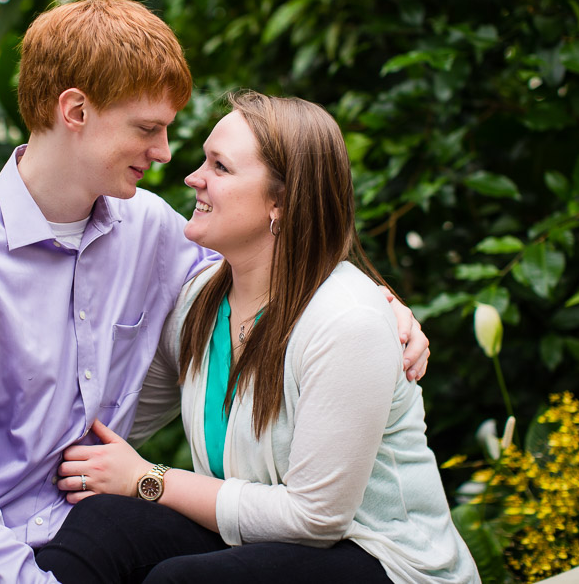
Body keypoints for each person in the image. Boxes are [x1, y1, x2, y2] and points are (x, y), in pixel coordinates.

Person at [0, 0, 431, 584]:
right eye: (147, 128)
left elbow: (284, 274)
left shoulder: (151, 230)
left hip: (77, 525)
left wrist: (386, 309)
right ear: (75, 110)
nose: (165, 154)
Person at [39, 91, 478, 583]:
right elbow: (120, 421)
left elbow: (315, 519)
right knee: (104, 524)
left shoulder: (347, 321)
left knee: (182, 582)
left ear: (281, 201)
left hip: (385, 560)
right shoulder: (198, 304)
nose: (193, 177)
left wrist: (149, 479)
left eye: (220, 167)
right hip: (262, 540)